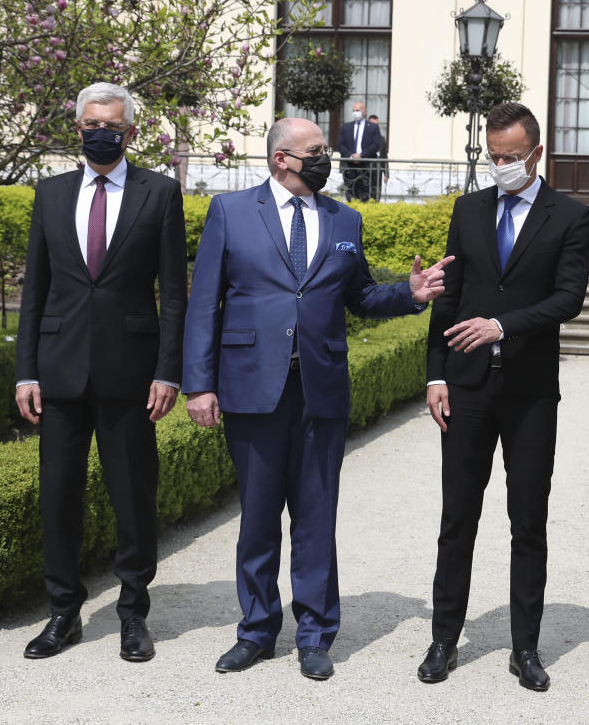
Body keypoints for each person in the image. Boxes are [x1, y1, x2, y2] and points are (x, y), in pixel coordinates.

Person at [181, 117, 453, 680]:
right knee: (257, 517)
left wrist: (410, 294)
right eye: (316, 151)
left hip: (320, 391)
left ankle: (314, 634)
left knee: (315, 517)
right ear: (282, 158)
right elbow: (205, 304)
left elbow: (360, 296)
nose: (325, 158)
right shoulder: (230, 214)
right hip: (252, 388)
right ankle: (256, 631)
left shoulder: (343, 218)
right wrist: (199, 384)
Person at [419, 102, 589, 691]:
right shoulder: (468, 210)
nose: (500, 166)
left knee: (528, 522)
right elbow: (449, 296)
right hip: (465, 387)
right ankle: (444, 639)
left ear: (537, 154)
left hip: (529, 392)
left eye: (511, 157)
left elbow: (569, 299)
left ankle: (525, 647)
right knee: (456, 517)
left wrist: (503, 325)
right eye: (493, 156)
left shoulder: (570, 215)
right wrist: (434, 375)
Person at [14, 82, 187, 662]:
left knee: (133, 497)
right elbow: (34, 291)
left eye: (109, 124)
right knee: (58, 496)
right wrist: (24, 373)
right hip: (59, 372)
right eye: (89, 123)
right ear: (78, 125)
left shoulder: (160, 193)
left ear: (130, 131)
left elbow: (174, 293)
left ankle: (133, 614)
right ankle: (63, 611)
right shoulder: (50, 192)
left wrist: (168, 371)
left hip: (131, 374)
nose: (98, 132)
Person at [336, 100, 381, 202]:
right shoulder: (346, 127)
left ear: (364, 112)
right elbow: (340, 144)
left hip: (366, 165)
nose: (355, 112)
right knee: (351, 192)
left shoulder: (373, 127)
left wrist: (362, 155)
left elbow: (376, 144)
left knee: (365, 192)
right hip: (349, 165)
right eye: (353, 110)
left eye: (358, 110)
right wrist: (351, 156)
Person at [367, 114, 389, 202]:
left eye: (377, 125)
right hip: (365, 170)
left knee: (376, 193)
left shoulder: (381, 139)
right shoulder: (363, 139)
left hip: (378, 170)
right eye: (373, 125)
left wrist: (386, 173)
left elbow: (384, 156)